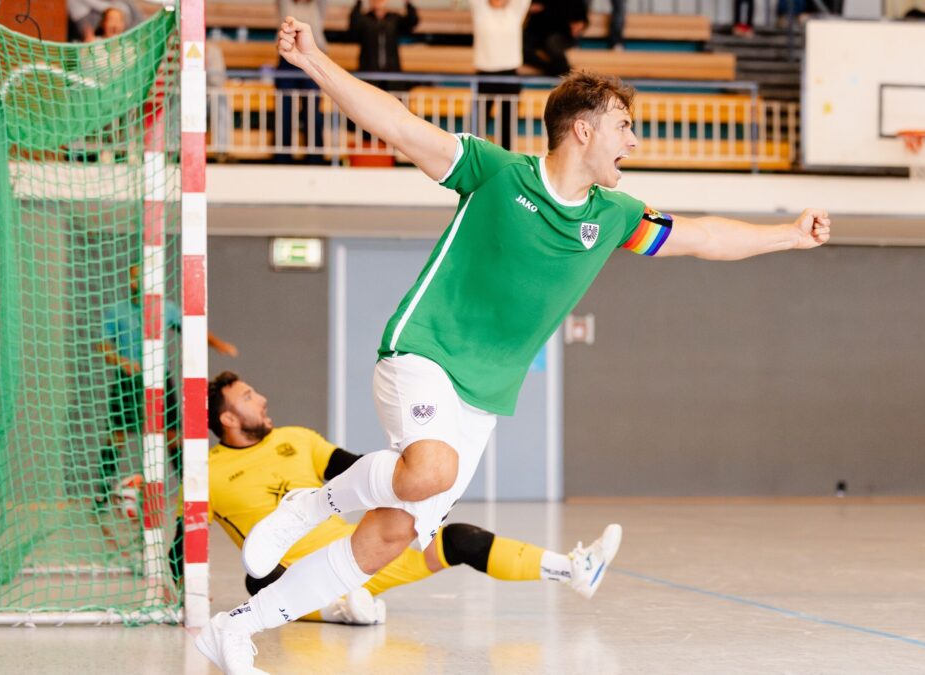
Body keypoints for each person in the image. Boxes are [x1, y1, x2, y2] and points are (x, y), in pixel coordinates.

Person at [196, 14, 830, 673]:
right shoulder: (494, 172)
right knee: (430, 470)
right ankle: (311, 504)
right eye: (623, 126)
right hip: (424, 352)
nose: (633, 140)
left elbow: (704, 236)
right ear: (582, 129)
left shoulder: (614, 216)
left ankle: (235, 628)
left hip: (484, 397)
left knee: (389, 536)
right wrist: (314, 62)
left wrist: (789, 234)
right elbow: (398, 126)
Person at [204, 371, 621, 626]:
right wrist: (182, 596)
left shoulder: (296, 439)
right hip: (302, 572)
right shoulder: (208, 473)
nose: (261, 399)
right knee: (256, 579)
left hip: (364, 552)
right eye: (247, 397)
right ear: (228, 418)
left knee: (460, 539)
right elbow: (182, 539)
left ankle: (573, 570)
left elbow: (357, 470)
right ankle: (339, 610)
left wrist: (418, 481)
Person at [95, 264, 237, 520]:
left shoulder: (165, 308)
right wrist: (121, 361)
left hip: (159, 379)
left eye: (142, 278)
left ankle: (189, 493)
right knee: (117, 436)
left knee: (172, 436)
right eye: (134, 279)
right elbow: (102, 345)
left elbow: (192, 329)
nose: (137, 283)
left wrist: (219, 344)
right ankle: (103, 495)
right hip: (128, 381)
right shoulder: (117, 310)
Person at [468, 0, 532, 150]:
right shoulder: (481, 10)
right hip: (484, 75)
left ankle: (506, 157)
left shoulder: (514, 11)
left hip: (509, 75)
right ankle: (475, 156)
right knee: (479, 123)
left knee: (507, 123)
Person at [275, 0, 328, 163]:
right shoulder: (286, 5)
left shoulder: (316, 6)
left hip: (312, 59)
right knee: (285, 110)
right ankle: (282, 157)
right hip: (287, 59)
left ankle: (315, 158)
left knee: (312, 110)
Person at [348, 0, 419, 91]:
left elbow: (412, 21)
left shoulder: (394, 19)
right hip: (369, 73)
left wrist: (408, 3)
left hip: (391, 74)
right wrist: (359, 3)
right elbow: (353, 24)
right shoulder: (364, 20)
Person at [522, 0, 588, 77]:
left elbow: (580, 20)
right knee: (520, 45)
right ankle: (557, 70)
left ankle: (562, 72)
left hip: (560, 34)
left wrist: (577, 26)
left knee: (553, 42)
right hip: (535, 32)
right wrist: (528, 8)